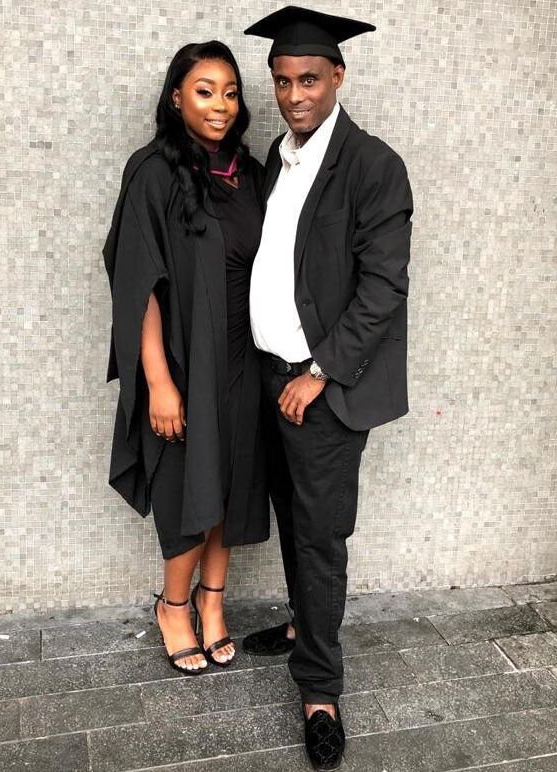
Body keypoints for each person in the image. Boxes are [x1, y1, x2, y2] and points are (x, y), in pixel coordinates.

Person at [243, 7, 414, 770]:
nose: (293, 94)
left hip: (322, 390)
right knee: (291, 516)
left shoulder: (374, 166)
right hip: (269, 380)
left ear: (338, 76)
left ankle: (319, 687)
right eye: (282, 81)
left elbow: (383, 289)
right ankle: (304, 622)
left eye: (308, 79)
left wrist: (319, 373)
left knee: (320, 536)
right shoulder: (276, 160)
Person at [103, 41, 269, 675]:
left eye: (230, 91)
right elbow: (136, 279)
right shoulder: (153, 172)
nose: (220, 105)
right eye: (204, 91)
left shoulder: (248, 174)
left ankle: (213, 601)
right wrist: (158, 381)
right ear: (176, 98)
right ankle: (173, 606)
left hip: (244, 358)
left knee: (230, 485)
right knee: (187, 488)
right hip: (182, 359)